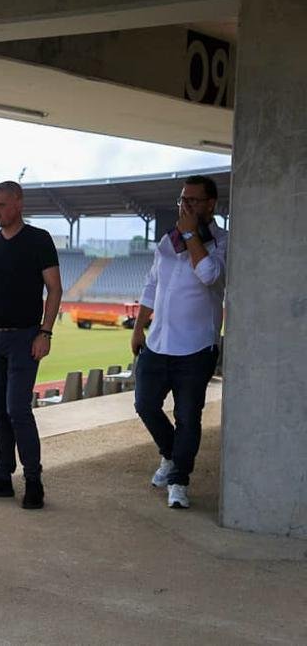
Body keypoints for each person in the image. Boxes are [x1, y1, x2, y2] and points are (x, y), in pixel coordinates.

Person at [0, 181, 62, 509]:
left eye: (1, 205)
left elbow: (55, 289)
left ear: (18, 203)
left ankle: (34, 480)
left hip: (25, 337)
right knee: (0, 410)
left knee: (18, 408)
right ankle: (2, 477)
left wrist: (44, 333)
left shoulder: (39, 240)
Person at [131, 175, 226, 510]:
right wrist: (138, 328)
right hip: (158, 343)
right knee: (145, 404)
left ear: (210, 204)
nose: (185, 206)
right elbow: (151, 286)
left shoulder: (223, 241)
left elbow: (210, 275)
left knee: (188, 416)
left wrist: (190, 234)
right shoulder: (166, 243)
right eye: (182, 200)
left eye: (193, 201)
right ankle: (171, 455)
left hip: (196, 347)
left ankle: (179, 480)